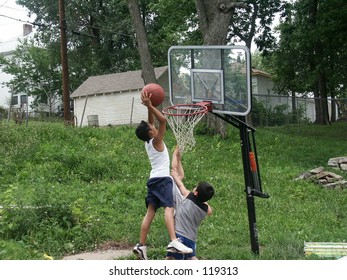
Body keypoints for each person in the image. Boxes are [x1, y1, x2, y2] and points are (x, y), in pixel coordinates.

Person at [133, 90, 193, 260]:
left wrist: (148, 107)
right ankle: (174, 240)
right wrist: (151, 106)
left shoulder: (148, 142)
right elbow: (163, 120)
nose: (153, 126)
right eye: (151, 127)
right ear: (151, 132)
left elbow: (151, 122)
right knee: (169, 207)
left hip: (152, 180)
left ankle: (141, 245)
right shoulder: (157, 140)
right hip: (162, 179)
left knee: (151, 211)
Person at [166, 146, 215, 260]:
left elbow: (181, 185)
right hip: (191, 239)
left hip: (180, 236)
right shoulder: (205, 209)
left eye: (195, 187)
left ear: (196, 193)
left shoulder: (189, 196)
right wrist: (179, 160)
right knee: (191, 257)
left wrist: (174, 157)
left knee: (171, 259)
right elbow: (210, 211)